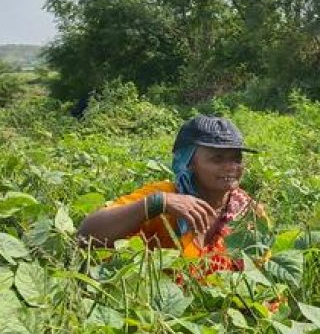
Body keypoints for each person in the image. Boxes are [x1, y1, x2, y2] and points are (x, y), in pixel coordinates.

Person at [78, 115, 263, 275]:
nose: (231, 167)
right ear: (188, 162)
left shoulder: (249, 212)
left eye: (236, 159)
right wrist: (156, 204)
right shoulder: (165, 196)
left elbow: (262, 271)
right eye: (217, 159)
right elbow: (85, 236)